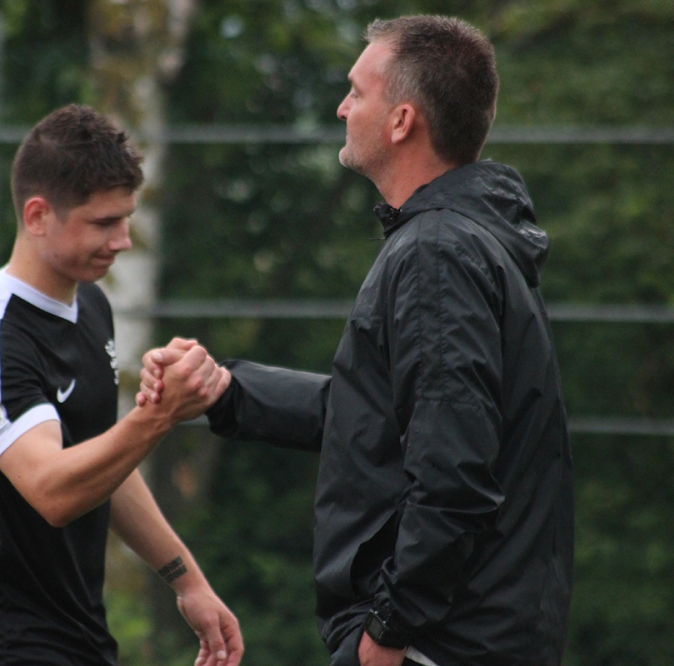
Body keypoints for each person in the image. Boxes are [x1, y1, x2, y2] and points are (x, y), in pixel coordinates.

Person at [139, 16, 572, 666]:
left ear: (401, 121)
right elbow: (380, 418)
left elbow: (452, 468)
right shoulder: (463, 241)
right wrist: (227, 391)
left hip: (435, 646)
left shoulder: (437, 252)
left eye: (356, 92)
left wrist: (389, 629)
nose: (342, 108)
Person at [0, 104, 242, 666]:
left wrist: (187, 582)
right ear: (38, 215)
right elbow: (54, 491)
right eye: (103, 223)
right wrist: (158, 415)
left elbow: (103, 465)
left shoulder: (91, 303)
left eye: (127, 219)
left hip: (77, 634)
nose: (123, 240)